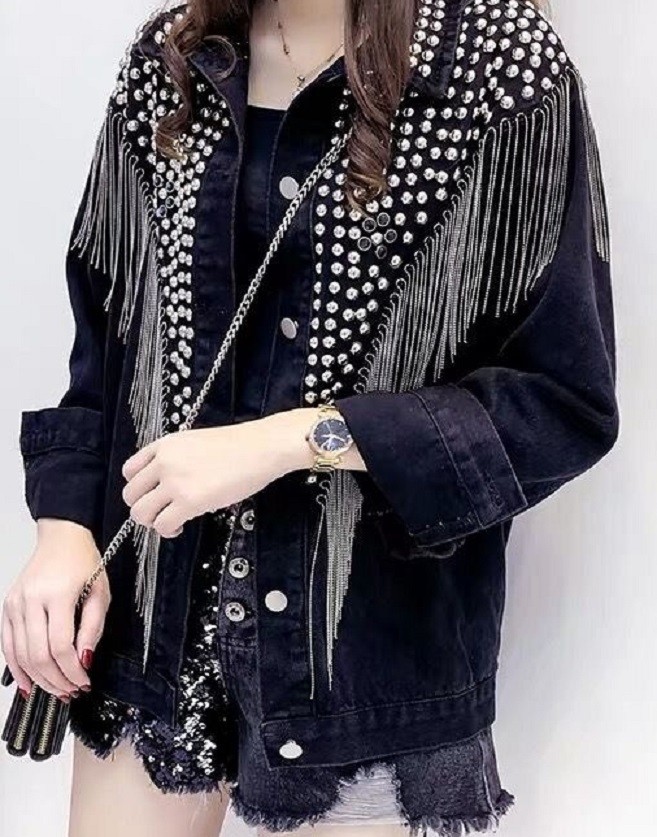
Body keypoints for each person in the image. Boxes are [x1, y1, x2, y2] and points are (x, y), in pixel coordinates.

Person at [2, 0, 619, 835]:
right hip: (152, 644)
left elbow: (560, 401)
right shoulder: (172, 56)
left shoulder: (496, 67)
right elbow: (105, 346)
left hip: (363, 669)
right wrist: (64, 531)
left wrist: (295, 439)